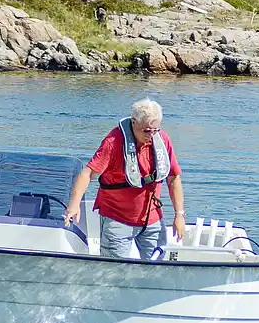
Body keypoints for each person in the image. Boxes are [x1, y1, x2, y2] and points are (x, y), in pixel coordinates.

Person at [64, 98, 185, 259]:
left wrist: (179, 215)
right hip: (117, 219)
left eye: (155, 130)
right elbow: (87, 173)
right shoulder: (113, 142)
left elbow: (173, 178)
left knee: (160, 264)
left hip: (152, 219)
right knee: (115, 270)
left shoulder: (162, 140)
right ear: (134, 122)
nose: (151, 135)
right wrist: (74, 205)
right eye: (147, 131)